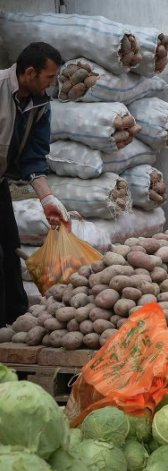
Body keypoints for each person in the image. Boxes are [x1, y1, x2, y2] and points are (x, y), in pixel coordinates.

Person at [0, 42, 70, 325]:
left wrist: (47, 199)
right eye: (50, 77)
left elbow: (34, 157)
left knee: (10, 249)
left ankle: (15, 325)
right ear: (30, 72)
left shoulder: (39, 103)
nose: (52, 84)